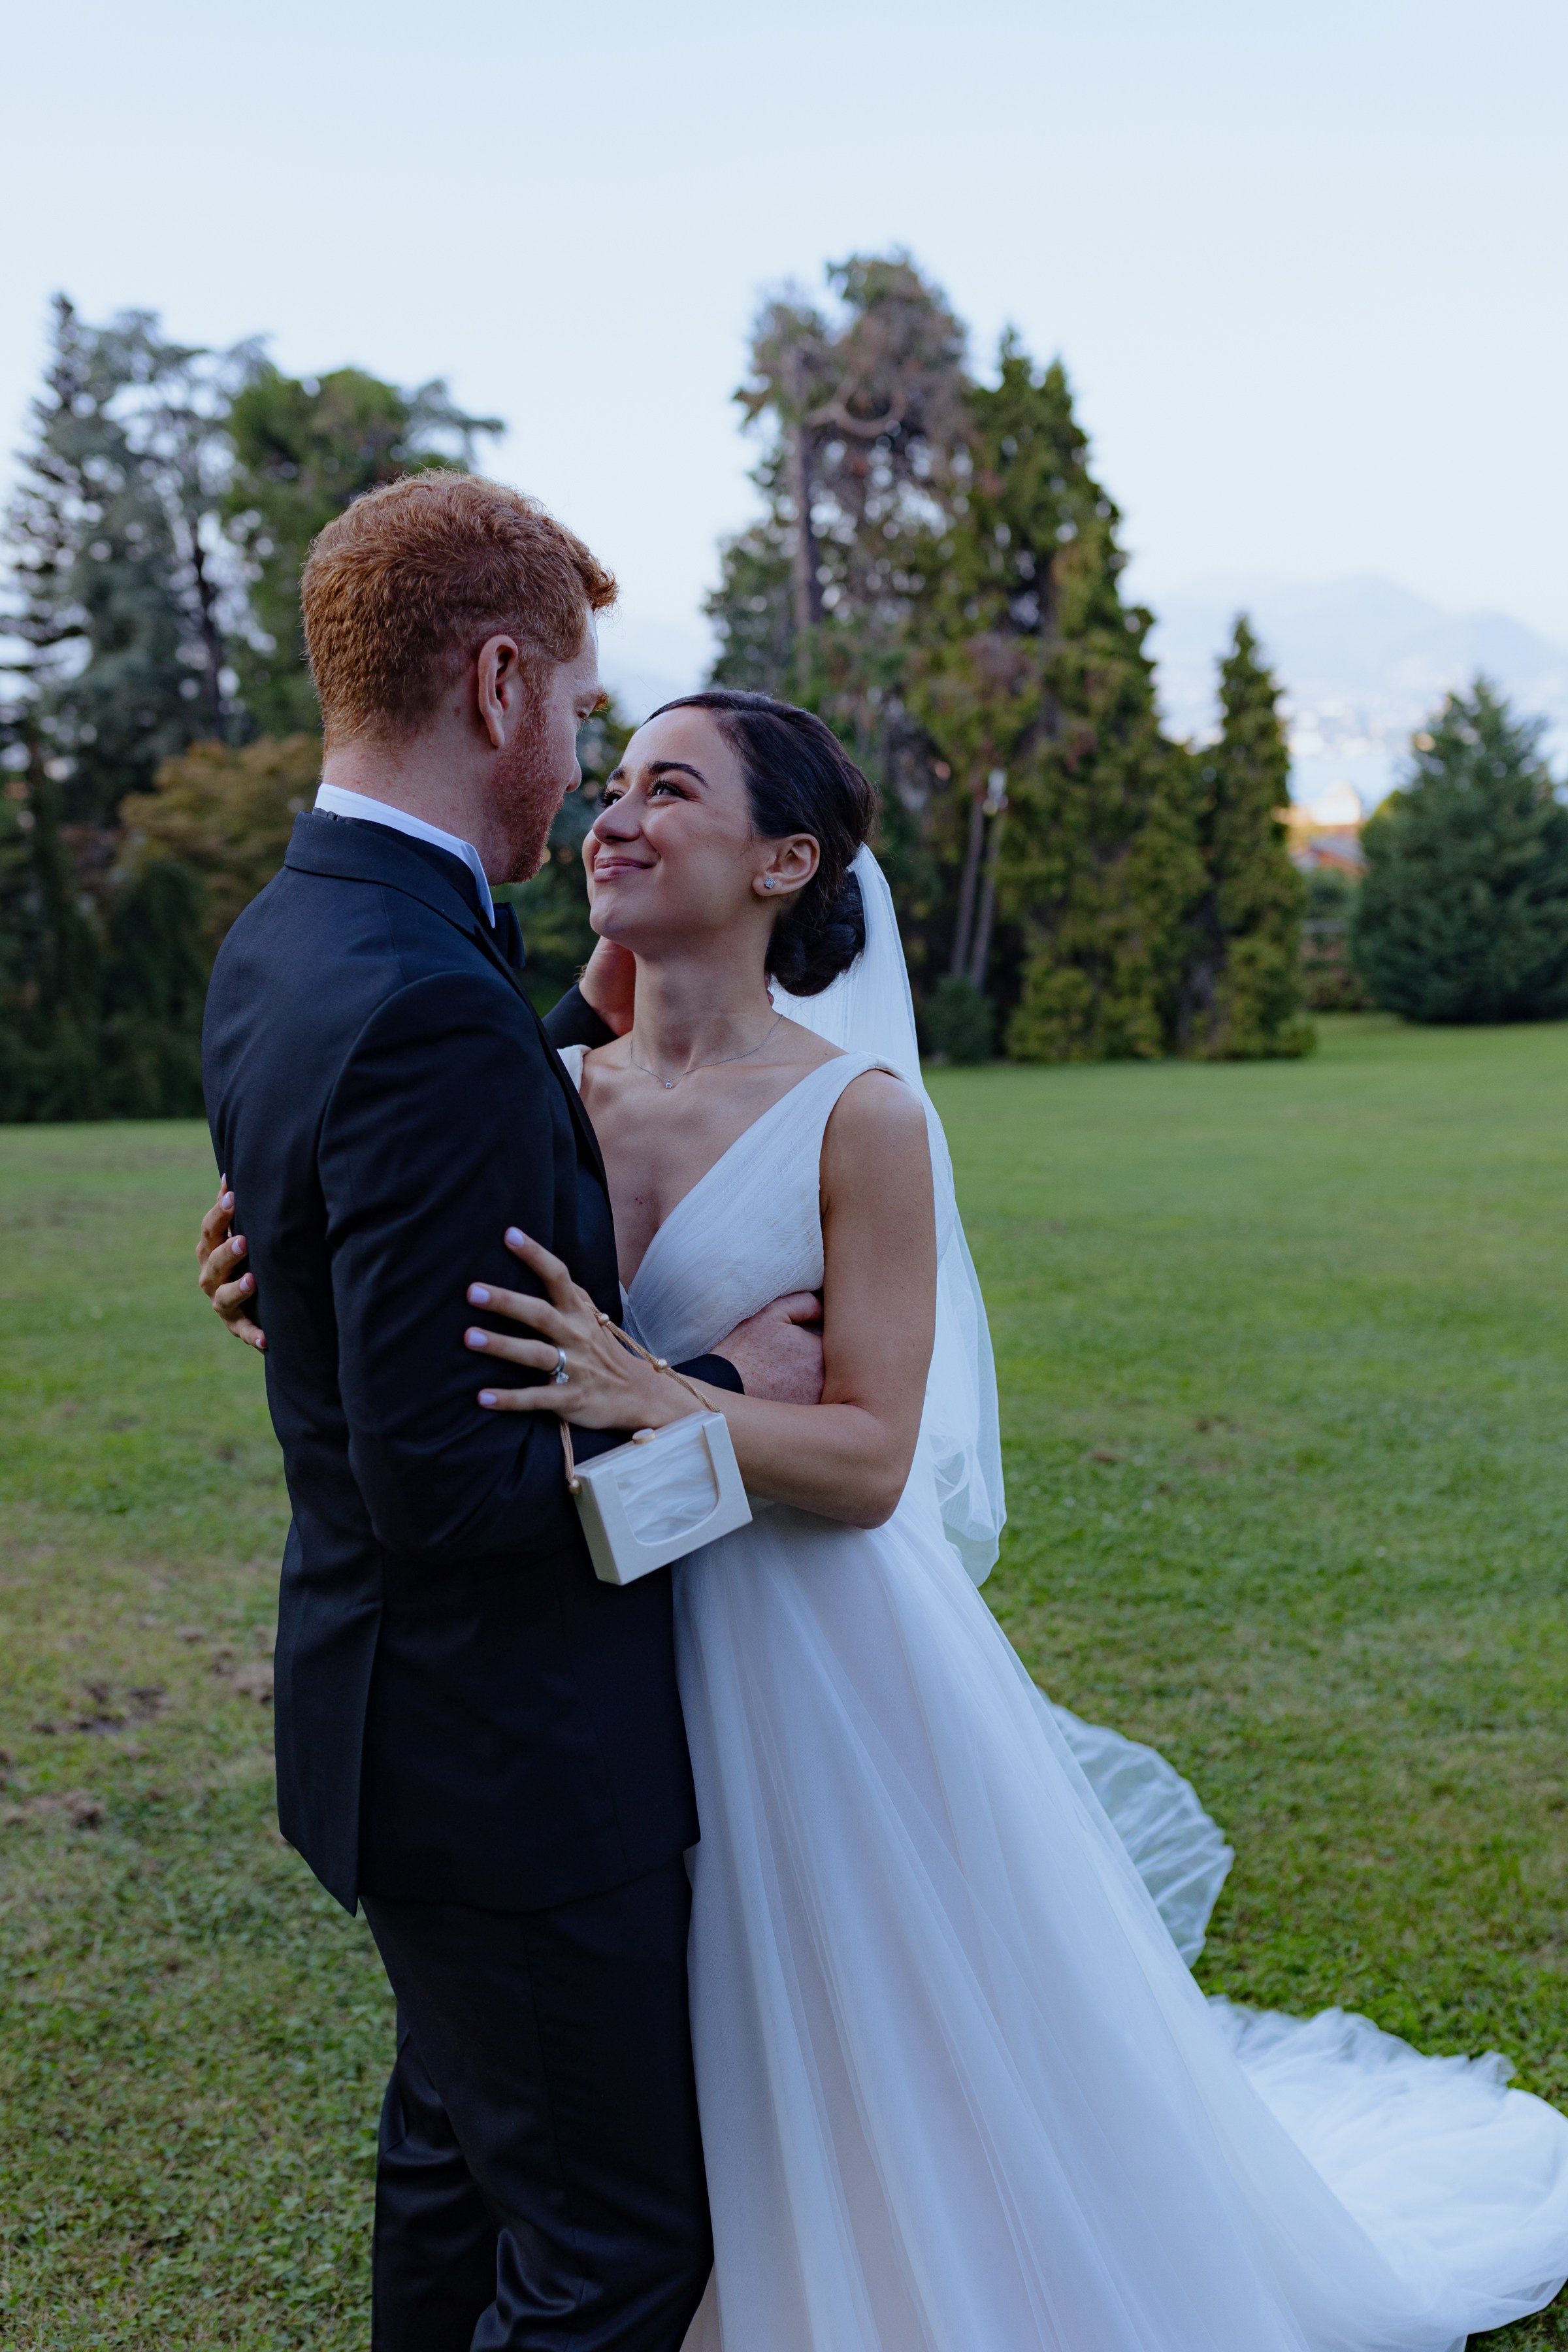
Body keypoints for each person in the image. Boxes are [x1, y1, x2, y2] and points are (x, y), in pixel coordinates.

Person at [416, 686, 1568, 2350]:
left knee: (854, 2019)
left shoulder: (860, 1117)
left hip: (808, 1644)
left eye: (670, 790)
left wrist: (680, 1395)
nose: (614, 816)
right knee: (660, 2027)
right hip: (607, 1632)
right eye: (612, 784)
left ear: (783, 861)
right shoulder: (557, 1091)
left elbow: (875, 1456)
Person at [199, 476, 826, 2352]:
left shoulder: (295, 938)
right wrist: (724, 1397)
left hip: (393, 1727)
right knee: (616, 2249)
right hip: (508, 1754)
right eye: (575, 706)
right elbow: (461, 1485)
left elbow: (382, 1226)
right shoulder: (427, 1003)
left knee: (457, 2171)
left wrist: (295, 1286)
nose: (583, 759)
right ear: (495, 684)